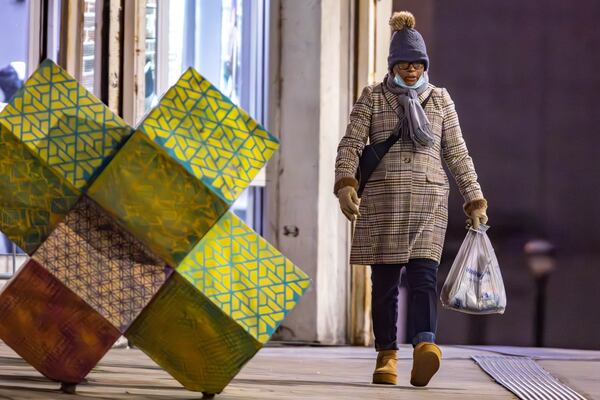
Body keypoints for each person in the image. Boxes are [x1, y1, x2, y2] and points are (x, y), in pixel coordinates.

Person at [333, 11, 488, 387]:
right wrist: (346, 183)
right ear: (393, 65)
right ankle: (386, 355)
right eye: (405, 63)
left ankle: (424, 346)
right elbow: (351, 144)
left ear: (425, 64)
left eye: (418, 63)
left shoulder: (440, 101)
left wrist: (474, 198)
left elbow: (457, 152)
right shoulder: (373, 97)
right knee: (384, 283)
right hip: (383, 204)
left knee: (423, 278)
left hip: (428, 203)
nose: (412, 70)